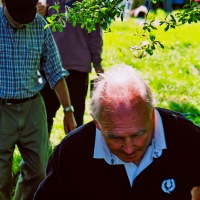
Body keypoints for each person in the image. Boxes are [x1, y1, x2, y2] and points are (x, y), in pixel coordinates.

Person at [34, 64, 200, 200]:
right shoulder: (72, 151)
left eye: (138, 134)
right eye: (115, 137)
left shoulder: (184, 135)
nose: (129, 148)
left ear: (152, 117)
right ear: (97, 124)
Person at [0, 0, 77, 199]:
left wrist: (68, 111)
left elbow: (55, 71)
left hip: (32, 106)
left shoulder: (39, 25)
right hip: (2, 109)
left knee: (38, 172)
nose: (22, 21)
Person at [37, 0, 104, 135]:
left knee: (76, 117)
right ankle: (41, 152)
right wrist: (40, 12)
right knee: (45, 114)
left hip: (77, 69)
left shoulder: (89, 4)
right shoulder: (49, 2)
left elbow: (95, 35)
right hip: (50, 67)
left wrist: (97, 63)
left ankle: (73, 151)